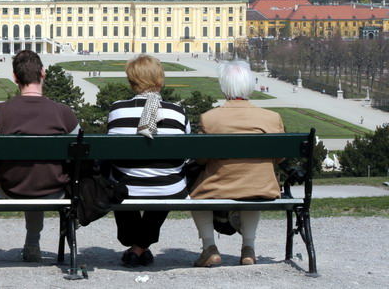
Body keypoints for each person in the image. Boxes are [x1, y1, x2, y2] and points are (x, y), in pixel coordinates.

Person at [0, 50, 79, 262]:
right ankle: (34, 242)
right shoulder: (63, 112)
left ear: (15, 77)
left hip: (12, 188)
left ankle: (32, 242)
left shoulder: (0, 111)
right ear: (43, 73)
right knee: (41, 173)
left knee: (28, 173)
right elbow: (80, 154)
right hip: (54, 189)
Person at [189, 61, 285, 267]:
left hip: (219, 186)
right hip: (262, 187)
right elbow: (279, 158)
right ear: (250, 85)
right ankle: (248, 249)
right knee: (253, 185)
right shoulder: (271, 118)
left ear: (224, 87)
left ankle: (209, 248)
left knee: (195, 193)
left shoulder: (209, 119)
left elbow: (201, 159)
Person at [106, 55, 190, 268]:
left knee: (123, 176)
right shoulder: (177, 112)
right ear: (160, 80)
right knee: (164, 178)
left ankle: (135, 246)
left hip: (126, 187)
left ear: (131, 81)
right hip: (168, 187)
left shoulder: (118, 110)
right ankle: (140, 247)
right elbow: (187, 155)